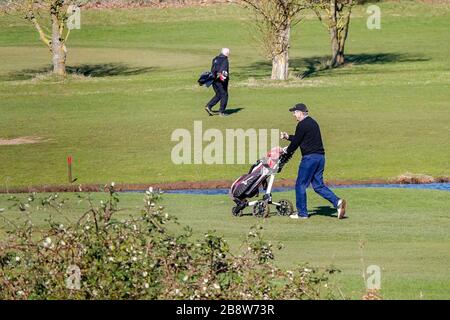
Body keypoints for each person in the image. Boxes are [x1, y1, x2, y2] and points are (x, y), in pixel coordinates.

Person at [279, 103, 347, 220]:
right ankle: (337, 202)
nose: (294, 115)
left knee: (300, 185)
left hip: (309, 159)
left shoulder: (302, 124)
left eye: (295, 113)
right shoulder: (312, 122)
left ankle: (302, 214)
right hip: (320, 158)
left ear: (300, 112)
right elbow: (300, 137)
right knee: (318, 185)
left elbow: (296, 143)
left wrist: (286, 151)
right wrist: (288, 137)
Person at [205, 48, 230, 117]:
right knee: (224, 95)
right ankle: (221, 112)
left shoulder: (215, 59)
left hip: (213, 80)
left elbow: (213, 69)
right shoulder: (225, 60)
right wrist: (224, 79)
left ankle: (209, 106)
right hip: (221, 81)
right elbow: (224, 71)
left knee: (218, 94)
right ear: (227, 53)